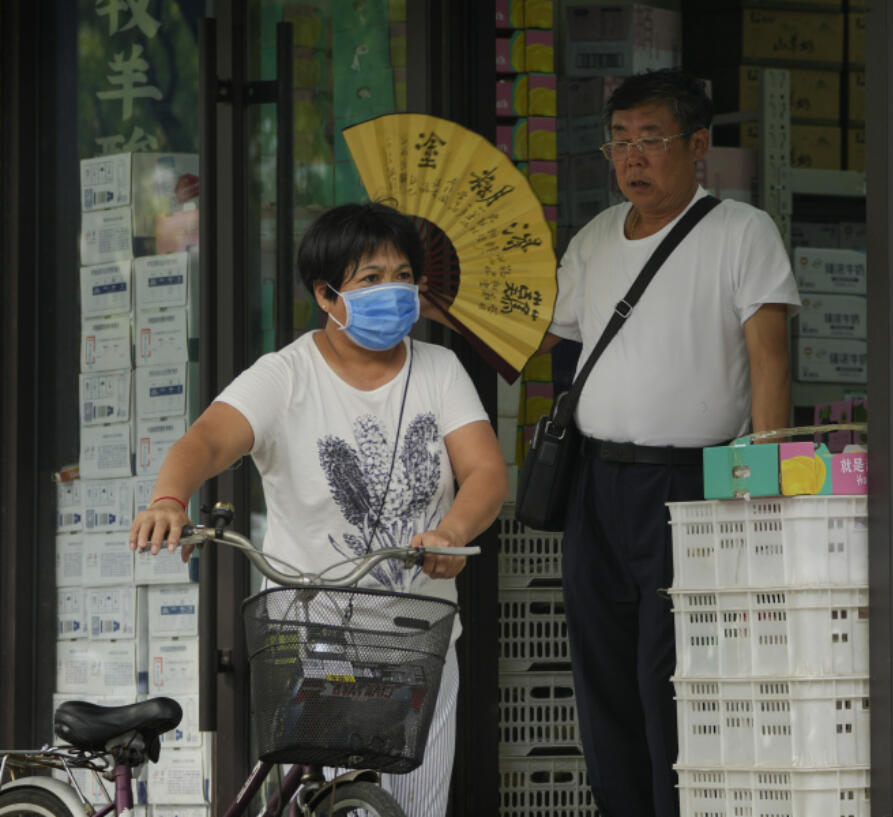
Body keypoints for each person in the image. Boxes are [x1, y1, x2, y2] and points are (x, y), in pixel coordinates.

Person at [127, 202, 508, 817]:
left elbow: (486, 471)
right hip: (317, 638)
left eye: (404, 274)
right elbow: (205, 441)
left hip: (422, 643)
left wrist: (452, 530)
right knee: (337, 802)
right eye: (371, 278)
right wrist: (169, 500)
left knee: (412, 809)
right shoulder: (286, 375)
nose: (395, 290)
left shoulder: (440, 368)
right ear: (326, 296)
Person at [534, 68, 799, 817]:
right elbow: (530, 341)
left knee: (671, 675)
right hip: (595, 483)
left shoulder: (743, 232)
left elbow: (770, 361)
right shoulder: (591, 240)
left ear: (697, 145)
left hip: (693, 483)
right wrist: (448, 301)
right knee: (603, 671)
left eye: (650, 139)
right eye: (619, 141)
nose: (632, 157)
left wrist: (765, 488)